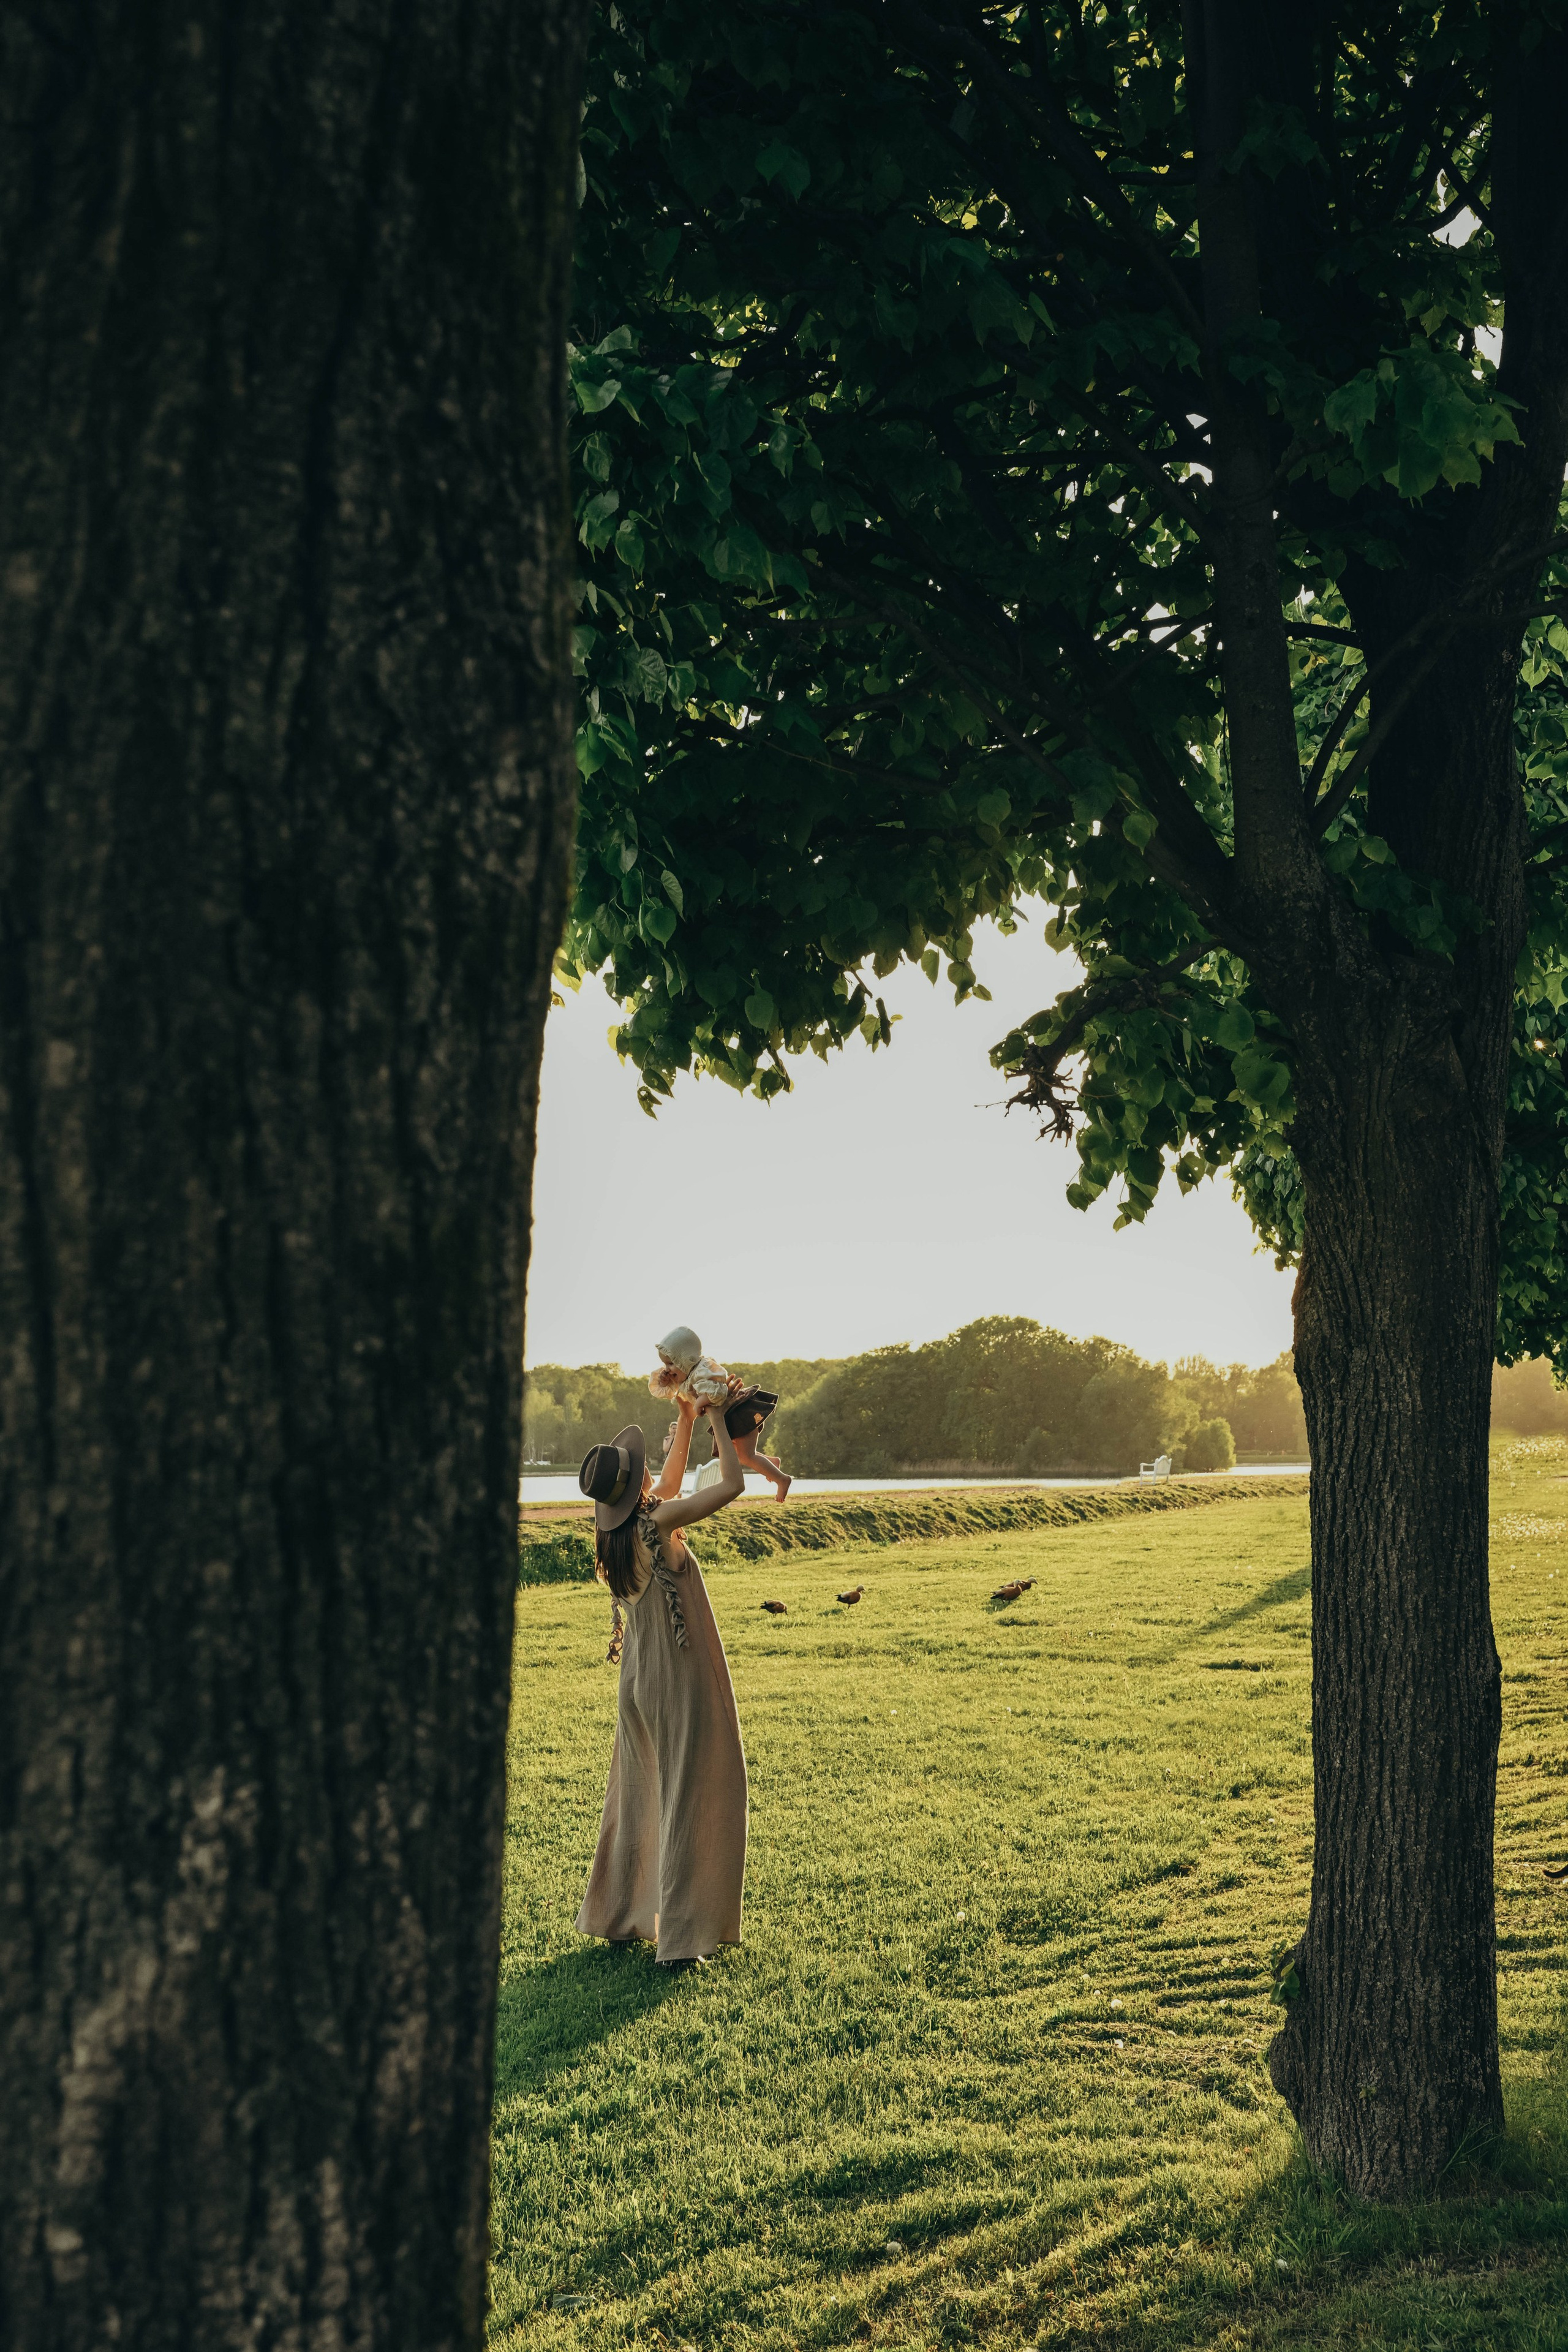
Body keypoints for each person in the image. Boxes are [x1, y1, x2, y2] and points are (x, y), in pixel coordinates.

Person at [575, 1393, 749, 1970]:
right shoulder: (658, 1522)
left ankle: (621, 1916)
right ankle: (680, 1941)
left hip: (635, 1685)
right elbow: (729, 1487)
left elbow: (669, 1482)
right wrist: (722, 1421)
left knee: (638, 1796)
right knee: (689, 1794)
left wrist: (686, 1415)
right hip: (674, 1678)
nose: (655, 1468)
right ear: (635, 1486)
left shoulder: (614, 1538)